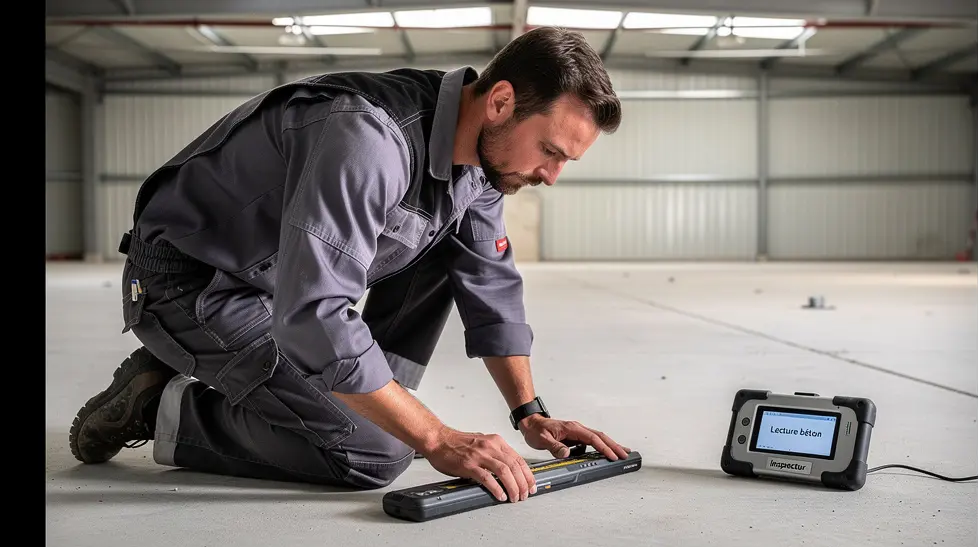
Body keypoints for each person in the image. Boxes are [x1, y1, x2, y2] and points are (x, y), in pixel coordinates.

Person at [68, 26, 629, 504]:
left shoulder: (481, 161)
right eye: (551, 152)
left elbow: (491, 284)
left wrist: (529, 413)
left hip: (275, 282)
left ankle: (356, 400)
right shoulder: (369, 137)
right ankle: (156, 403)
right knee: (379, 452)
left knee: (447, 259)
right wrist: (433, 437)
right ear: (501, 102)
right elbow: (315, 317)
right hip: (192, 281)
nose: (551, 176)